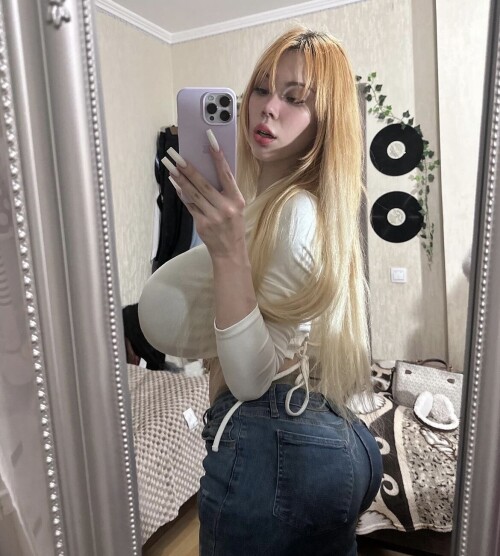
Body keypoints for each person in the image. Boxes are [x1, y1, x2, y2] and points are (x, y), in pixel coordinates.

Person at [138, 26, 382, 556]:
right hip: (321, 441)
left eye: (295, 98)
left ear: (325, 122)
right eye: (262, 89)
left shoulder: (295, 215)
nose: (268, 108)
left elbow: (251, 380)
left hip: (274, 452)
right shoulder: (266, 207)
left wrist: (227, 250)